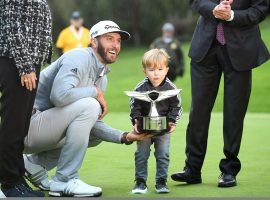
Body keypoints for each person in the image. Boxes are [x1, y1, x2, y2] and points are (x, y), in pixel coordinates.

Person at [22, 20, 149, 197]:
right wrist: (94, 92)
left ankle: (34, 165)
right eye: (109, 39)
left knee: (94, 135)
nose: (115, 45)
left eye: (118, 40)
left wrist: (124, 136)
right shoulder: (78, 57)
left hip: (43, 129)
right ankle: (65, 180)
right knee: (90, 105)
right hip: (24, 128)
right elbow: (59, 96)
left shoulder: (102, 75)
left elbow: (92, 123)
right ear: (94, 42)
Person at [171, 0, 270, 188]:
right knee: (198, 111)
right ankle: (192, 169)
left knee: (234, 113)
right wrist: (214, 9)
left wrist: (232, 15)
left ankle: (229, 170)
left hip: (241, 50)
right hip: (204, 48)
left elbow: (260, 9)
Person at [0, 0, 52, 197]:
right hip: (16, 62)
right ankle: (9, 183)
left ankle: (17, 178)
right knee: (13, 125)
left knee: (20, 125)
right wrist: (25, 66)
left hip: (30, 61)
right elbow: (12, 26)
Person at [130, 49, 182, 194]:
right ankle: (140, 182)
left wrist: (172, 121)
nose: (156, 73)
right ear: (145, 71)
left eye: (160, 69)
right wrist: (135, 121)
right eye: (151, 70)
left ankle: (161, 182)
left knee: (163, 154)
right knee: (141, 155)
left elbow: (176, 107)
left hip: (163, 129)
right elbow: (135, 107)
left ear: (166, 70)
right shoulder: (140, 88)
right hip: (144, 130)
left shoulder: (172, 89)